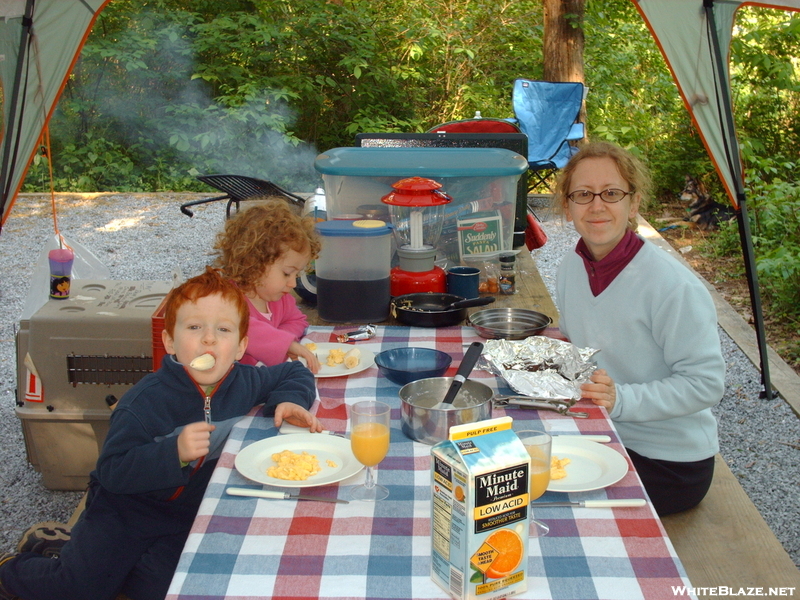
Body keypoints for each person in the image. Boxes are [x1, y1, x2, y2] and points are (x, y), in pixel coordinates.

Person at [0, 267, 321, 600]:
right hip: (124, 512)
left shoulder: (244, 379)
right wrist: (173, 452)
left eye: (223, 329)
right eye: (195, 327)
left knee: (167, 588)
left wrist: (287, 402)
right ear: (170, 341)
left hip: (184, 515)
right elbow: (112, 471)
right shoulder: (144, 402)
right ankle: (17, 569)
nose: (209, 339)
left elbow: (292, 374)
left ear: (241, 346)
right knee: (78, 589)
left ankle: (77, 552)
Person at [552, 141, 725, 516]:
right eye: (583, 194)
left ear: (633, 203)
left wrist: (622, 400)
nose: (597, 205)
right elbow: (575, 341)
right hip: (600, 432)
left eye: (611, 193)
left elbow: (706, 383)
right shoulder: (571, 266)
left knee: (555, 507)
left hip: (669, 462)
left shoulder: (672, 285)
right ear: (567, 207)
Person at [213, 199, 322, 373]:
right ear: (253, 263)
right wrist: (283, 343)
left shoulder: (280, 298)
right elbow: (241, 327)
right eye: (287, 273)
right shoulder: (226, 300)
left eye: (297, 274)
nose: (293, 283)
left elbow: (297, 320)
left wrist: (285, 340)